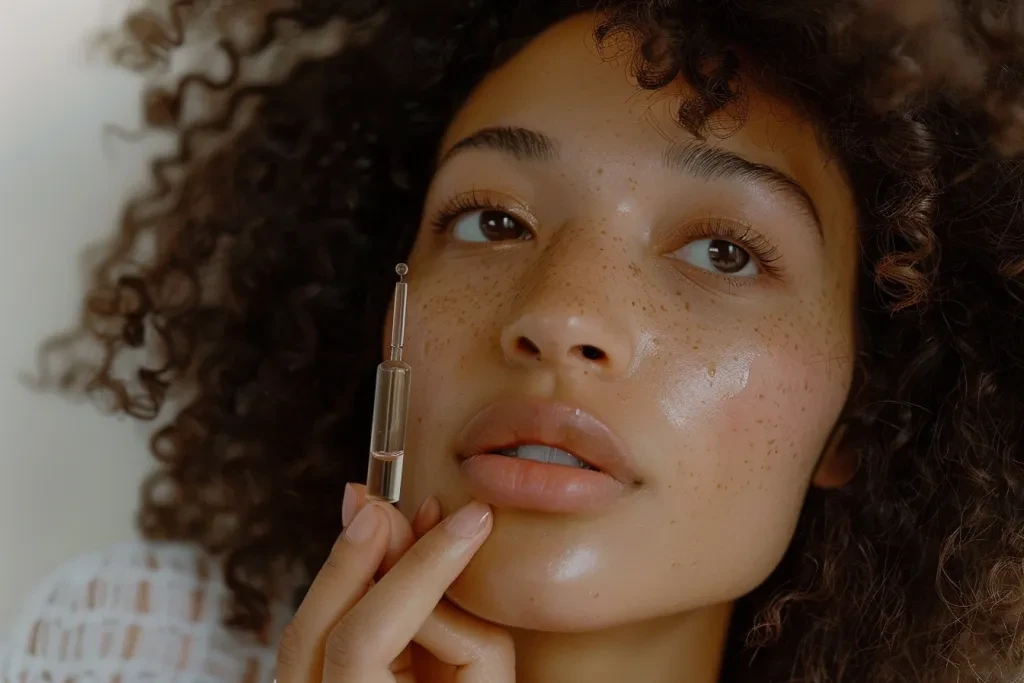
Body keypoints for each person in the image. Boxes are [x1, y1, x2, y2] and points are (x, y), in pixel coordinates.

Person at [4, 0, 1024, 681]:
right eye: (492, 221)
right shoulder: (129, 640)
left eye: (721, 250)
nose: (561, 314)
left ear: (859, 411)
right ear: (386, 317)